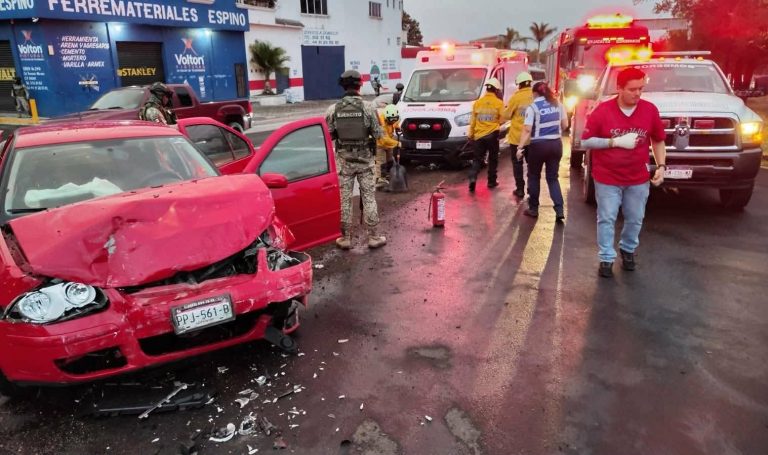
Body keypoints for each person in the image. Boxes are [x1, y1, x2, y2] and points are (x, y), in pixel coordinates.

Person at [581, 67, 666, 278]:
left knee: (635, 217)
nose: (637, 93)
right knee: (607, 217)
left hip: (637, 177)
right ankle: (606, 258)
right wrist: (615, 142)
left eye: (641, 89)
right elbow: (586, 141)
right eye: (632, 89)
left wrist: (662, 166)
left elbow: (658, 139)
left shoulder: (649, 110)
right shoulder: (602, 111)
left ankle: (628, 249)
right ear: (619, 88)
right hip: (607, 176)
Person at [325, 69, 386, 250]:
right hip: (366, 162)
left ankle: (345, 238)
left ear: (342, 86)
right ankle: (374, 236)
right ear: (360, 84)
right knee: (368, 197)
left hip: (344, 162)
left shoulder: (333, 110)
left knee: (345, 200)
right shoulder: (368, 108)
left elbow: (329, 135)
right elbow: (378, 134)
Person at [516, 81, 568, 220]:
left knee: (534, 176)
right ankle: (559, 209)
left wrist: (520, 147)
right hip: (556, 144)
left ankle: (533, 209)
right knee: (552, 178)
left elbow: (527, 129)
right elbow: (565, 125)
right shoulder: (558, 104)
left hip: (538, 146)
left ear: (535, 93)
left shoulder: (533, 107)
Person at [467, 77, 505, 192]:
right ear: (496, 90)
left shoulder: (477, 103)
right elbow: (502, 119)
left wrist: (470, 135)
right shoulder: (499, 103)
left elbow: (472, 121)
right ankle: (491, 182)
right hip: (492, 135)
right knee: (493, 159)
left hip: (479, 136)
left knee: (477, 159)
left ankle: (473, 177)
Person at [503, 71, 535, 198]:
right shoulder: (535, 97)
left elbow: (506, 115)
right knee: (532, 166)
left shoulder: (516, 98)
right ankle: (531, 189)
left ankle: (520, 189)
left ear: (519, 85)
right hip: (533, 139)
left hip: (517, 139)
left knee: (518, 164)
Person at [375, 104, 400, 189]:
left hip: (389, 142)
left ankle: (388, 176)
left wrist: (398, 127)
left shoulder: (394, 118)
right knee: (381, 162)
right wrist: (397, 143)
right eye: (390, 121)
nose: (392, 122)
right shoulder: (380, 122)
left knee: (389, 160)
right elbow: (384, 139)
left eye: (393, 120)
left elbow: (396, 123)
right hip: (380, 144)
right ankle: (380, 180)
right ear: (386, 117)